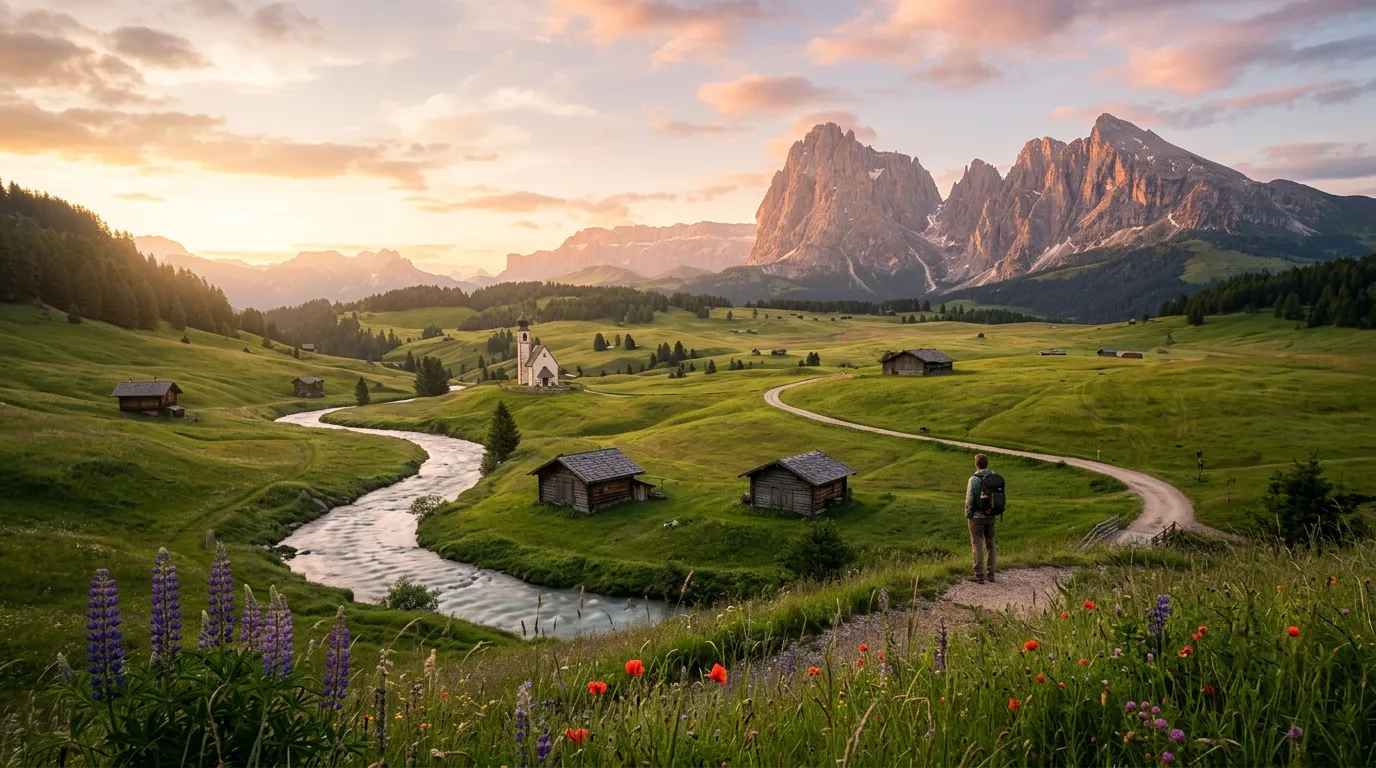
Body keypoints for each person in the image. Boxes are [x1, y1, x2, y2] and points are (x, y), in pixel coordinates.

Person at [965, 454, 998, 583]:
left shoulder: (973, 480)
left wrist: (969, 515)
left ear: (976, 464)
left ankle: (978, 575)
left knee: (977, 543)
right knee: (991, 543)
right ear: (987, 464)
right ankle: (991, 574)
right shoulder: (994, 477)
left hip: (977, 517)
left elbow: (969, 500)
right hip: (991, 515)